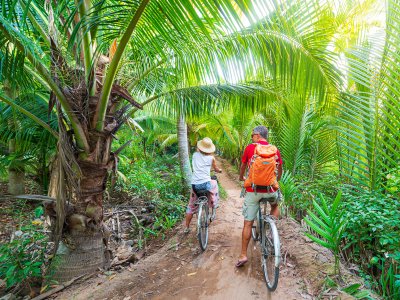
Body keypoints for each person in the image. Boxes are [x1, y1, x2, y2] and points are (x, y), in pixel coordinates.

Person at [236, 126, 283, 267]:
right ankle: (271, 226)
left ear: (257, 135)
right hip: (270, 189)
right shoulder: (274, 149)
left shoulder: (250, 148)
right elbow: (280, 169)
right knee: (275, 204)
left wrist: (241, 177)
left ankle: (243, 255)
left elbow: (243, 166)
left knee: (248, 223)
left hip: (253, 190)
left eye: (252, 135)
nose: (251, 137)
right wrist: (277, 180)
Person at [184, 137, 222, 234]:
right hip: (206, 184)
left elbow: (198, 152)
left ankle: (187, 228)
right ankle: (213, 203)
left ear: (200, 148)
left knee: (191, 206)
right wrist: (219, 171)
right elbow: (216, 169)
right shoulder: (211, 158)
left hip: (195, 185)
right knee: (213, 185)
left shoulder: (195, 155)